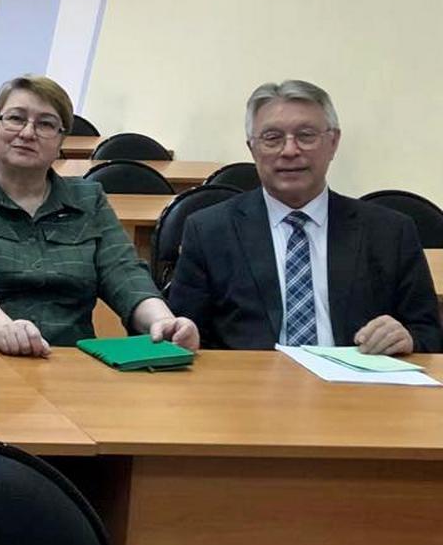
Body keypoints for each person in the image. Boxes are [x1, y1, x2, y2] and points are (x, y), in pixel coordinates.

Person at [0, 75, 198, 356]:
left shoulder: (88, 199)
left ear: (62, 140)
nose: (27, 133)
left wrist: (162, 321)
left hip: (72, 358)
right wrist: (1, 328)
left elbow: (124, 271)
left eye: (46, 124)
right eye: (15, 118)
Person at [167, 80, 440, 352]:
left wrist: (408, 339)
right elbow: (184, 335)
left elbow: (429, 333)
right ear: (252, 149)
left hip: (356, 377)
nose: (290, 151)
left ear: (333, 143)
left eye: (306, 135)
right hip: (249, 378)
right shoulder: (208, 231)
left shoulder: (390, 232)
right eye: (272, 138)